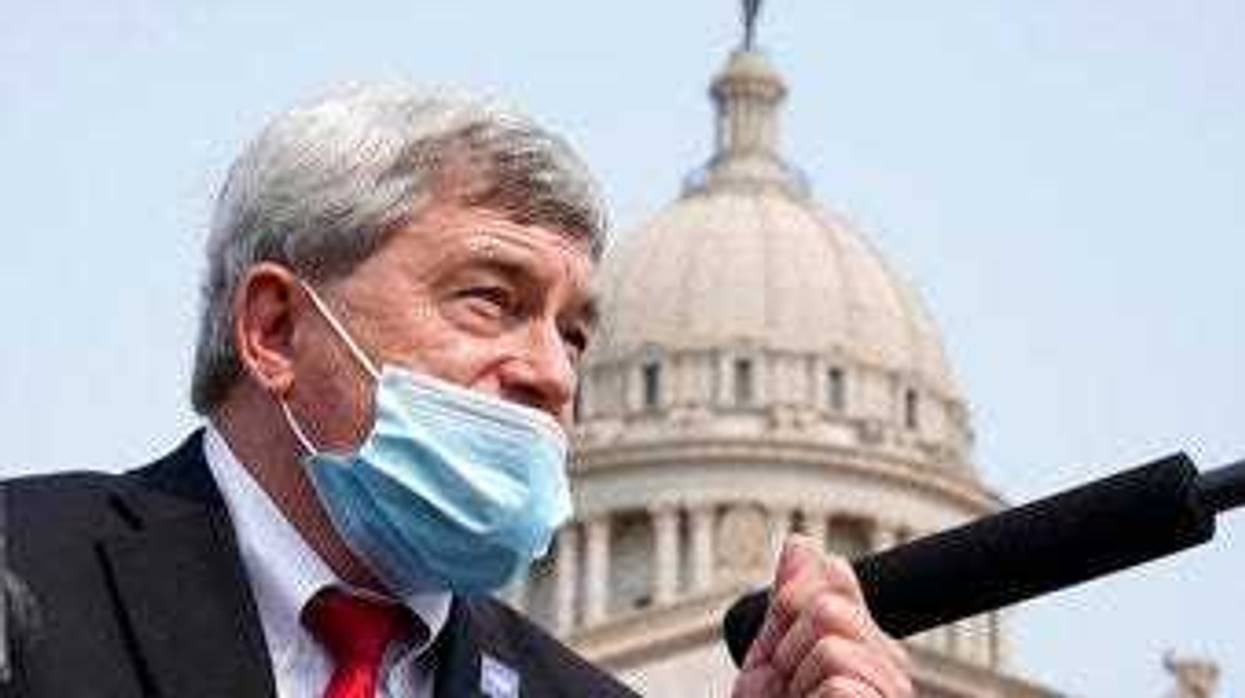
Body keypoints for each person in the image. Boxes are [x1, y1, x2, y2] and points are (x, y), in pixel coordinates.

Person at [1, 85, 912, 698]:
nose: (554, 375)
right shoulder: (24, 583)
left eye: (573, 332)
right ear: (275, 328)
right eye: (490, 300)